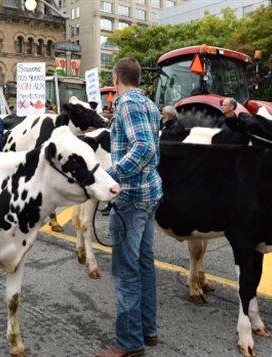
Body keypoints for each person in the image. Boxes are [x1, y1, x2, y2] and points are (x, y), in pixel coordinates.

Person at [96, 57, 162, 357]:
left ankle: (129, 342)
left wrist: (110, 176)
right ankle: (148, 330)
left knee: (126, 270)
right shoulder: (148, 104)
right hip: (149, 194)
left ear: (116, 78)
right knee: (144, 264)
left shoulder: (126, 104)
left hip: (132, 198)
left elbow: (145, 147)